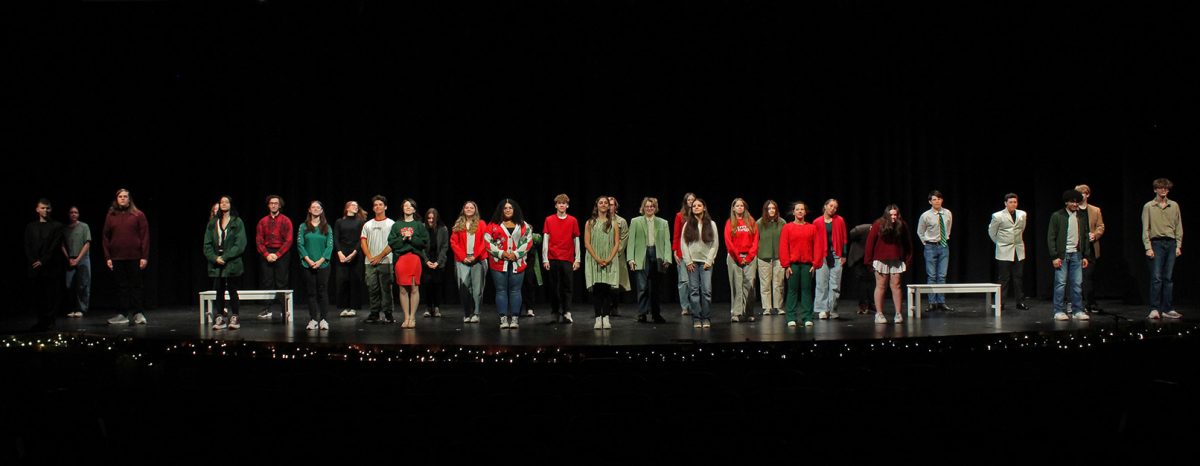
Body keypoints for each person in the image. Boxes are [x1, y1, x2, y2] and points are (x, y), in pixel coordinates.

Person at [103, 189, 150, 325]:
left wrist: (144, 256)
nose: (123, 199)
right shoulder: (111, 215)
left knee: (136, 286)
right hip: (117, 257)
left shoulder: (138, 215)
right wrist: (108, 257)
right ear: (116, 199)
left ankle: (138, 313)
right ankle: (123, 314)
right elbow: (105, 237)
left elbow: (145, 236)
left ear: (129, 200)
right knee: (121, 287)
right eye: (120, 197)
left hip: (135, 256)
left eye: (125, 197)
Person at [486, 199, 533, 329]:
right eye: (505, 208)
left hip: (518, 262)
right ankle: (503, 318)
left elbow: (528, 242)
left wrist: (516, 254)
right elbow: (487, 242)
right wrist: (502, 253)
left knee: (515, 290)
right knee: (501, 290)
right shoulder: (493, 225)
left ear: (515, 209)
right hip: (499, 263)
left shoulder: (524, 225)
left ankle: (515, 318)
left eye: (510, 208)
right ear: (501, 210)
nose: (507, 210)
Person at [1142, 178, 1183, 320]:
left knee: (1168, 278)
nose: (1164, 190)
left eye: (1166, 188)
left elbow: (1179, 226)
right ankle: (1154, 308)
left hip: (1171, 243)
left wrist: (1178, 245)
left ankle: (1168, 308)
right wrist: (1148, 247)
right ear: (1155, 189)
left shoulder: (1174, 205)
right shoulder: (1149, 206)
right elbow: (1145, 228)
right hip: (1156, 243)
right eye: (1161, 188)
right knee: (1157, 277)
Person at [204, 196, 247, 330]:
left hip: (231, 261)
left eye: (226, 202)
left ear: (230, 205)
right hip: (217, 262)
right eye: (221, 202)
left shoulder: (237, 222)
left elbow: (240, 244)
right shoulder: (213, 223)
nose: (223, 204)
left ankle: (235, 316)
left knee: (232, 289)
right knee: (219, 290)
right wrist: (214, 258)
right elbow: (207, 244)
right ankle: (220, 317)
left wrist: (226, 257)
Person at [1048, 190, 1092, 321]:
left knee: (1077, 283)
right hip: (1062, 254)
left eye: (1076, 201)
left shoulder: (1081, 217)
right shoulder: (1057, 216)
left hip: (1077, 254)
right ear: (1066, 202)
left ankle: (1077, 310)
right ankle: (1058, 311)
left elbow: (1085, 236)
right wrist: (1054, 256)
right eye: (1072, 201)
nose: (1074, 204)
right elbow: (1051, 237)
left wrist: (1085, 255)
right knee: (1061, 283)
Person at [865, 204, 913, 324]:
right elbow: (870, 243)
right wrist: (869, 261)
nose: (893, 217)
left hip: (896, 259)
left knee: (896, 285)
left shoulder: (902, 225)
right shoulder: (878, 224)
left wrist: (908, 259)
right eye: (891, 215)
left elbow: (908, 243)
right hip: (881, 259)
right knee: (881, 286)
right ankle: (879, 314)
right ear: (887, 215)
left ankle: (898, 313)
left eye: (895, 215)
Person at [628, 197, 672, 324]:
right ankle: (642, 313)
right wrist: (631, 258)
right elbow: (631, 242)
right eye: (647, 206)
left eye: (652, 206)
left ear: (655, 208)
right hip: (642, 255)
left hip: (657, 254)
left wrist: (667, 258)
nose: (649, 208)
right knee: (642, 287)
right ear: (643, 208)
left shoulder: (663, 222)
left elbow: (666, 242)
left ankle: (656, 314)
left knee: (656, 288)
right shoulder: (635, 221)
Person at [388, 199, 429, 329]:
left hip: (414, 258)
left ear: (414, 209)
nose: (408, 207)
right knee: (402, 289)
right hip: (401, 259)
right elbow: (392, 242)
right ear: (402, 208)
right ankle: (406, 317)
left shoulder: (419, 225)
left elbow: (424, 243)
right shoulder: (396, 225)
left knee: (414, 287)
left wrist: (411, 238)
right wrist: (403, 238)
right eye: (405, 205)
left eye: (410, 206)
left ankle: (412, 317)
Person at [26, 199, 64, 331]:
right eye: (42, 208)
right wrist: (33, 260)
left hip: (50, 267)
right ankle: (41, 320)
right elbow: (27, 245)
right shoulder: (31, 226)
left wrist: (43, 260)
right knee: (38, 295)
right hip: (35, 267)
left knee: (51, 295)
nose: (45, 210)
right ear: (37, 209)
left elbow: (54, 246)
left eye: (47, 208)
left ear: (51, 209)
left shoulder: (57, 226)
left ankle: (49, 320)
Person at [542, 194, 581, 324]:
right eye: (559, 203)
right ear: (556, 205)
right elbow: (546, 239)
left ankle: (567, 312)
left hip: (567, 258)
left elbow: (576, 239)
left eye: (564, 203)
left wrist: (577, 259)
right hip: (553, 257)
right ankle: (554, 311)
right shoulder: (549, 219)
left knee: (567, 287)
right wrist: (545, 259)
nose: (562, 205)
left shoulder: (573, 220)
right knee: (554, 287)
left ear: (567, 205)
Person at [987, 193, 1029, 311]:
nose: (1013, 204)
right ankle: (1000, 303)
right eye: (1010, 202)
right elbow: (992, 232)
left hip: (1018, 249)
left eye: (1015, 202)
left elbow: (1022, 229)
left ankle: (1020, 302)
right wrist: (1000, 243)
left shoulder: (1022, 214)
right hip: (1004, 250)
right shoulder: (998, 216)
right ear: (1005, 203)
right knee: (1004, 278)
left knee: (1018, 277)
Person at [681, 198, 719, 328]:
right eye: (694, 206)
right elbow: (684, 243)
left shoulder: (711, 224)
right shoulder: (688, 224)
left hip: (706, 263)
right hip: (692, 263)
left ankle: (706, 318)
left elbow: (715, 244)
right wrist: (688, 261)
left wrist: (709, 260)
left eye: (699, 205)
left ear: (704, 208)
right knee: (694, 291)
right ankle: (697, 318)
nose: (696, 207)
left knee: (706, 291)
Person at [585, 196, 621, 330]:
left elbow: (617, 243)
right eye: (601, 202)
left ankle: (606, 317)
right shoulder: (590, 223)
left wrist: (609, 258)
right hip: (595, 259)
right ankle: (597, 317)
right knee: (597, 289)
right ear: (597, 205)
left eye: (606, 203)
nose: (604, 204)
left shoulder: (614, 223)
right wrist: (597, 259)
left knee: (606, 289)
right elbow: (587, 243)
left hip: (609, 259)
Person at [255, 195, 293, 319]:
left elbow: (288, 240)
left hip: (281, 253)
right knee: (267, 281)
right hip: (267, 253)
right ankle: (267, 309)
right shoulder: (263, 221)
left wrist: (277, 254)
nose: (273, 205)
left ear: (279, 205)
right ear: (268, 205)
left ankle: (284, 309)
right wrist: (266, 254)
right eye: (271, 203)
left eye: (276, 203)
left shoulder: (286, 220)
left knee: (282, 282)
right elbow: (259, 241)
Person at [298, 200, 334, 331]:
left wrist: (319, 261)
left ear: (321, 210)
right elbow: (300, 244)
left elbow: (330, 246)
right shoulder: (303, 226)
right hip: (307, 264)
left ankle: (324, 319)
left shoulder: (326, 227)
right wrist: (308, 260)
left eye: (318, 207)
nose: (315, 209)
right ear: (309, 210)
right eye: (313, 207)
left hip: (323, 265)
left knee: (322, 292)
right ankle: (313, 319)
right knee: (311, 293)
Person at [779, 201, 816, 328]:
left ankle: (807, 317)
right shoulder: (787, 228)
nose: (800, 211)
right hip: (793, 265)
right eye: (797, 209)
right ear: (793, 212)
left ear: (805, 212)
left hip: (807, 264)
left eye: (802, 209)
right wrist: (786, 265)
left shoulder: (811, 228)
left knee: (806, 291)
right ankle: (791, 317)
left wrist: (815, 263)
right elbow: (783, 247)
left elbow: (817, 246)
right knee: (792, 291)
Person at [451, 201, 488, 323]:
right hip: (462, 260)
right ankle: (467, 313)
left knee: (477, 289)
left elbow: (485, 241)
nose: (469, 209)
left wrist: (475, 256)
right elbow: (454, 243)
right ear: (463, 209)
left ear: (475, 210)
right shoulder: (458, 224)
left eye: (471, 207)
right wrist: (463, 257)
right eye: (466, 207)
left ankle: (476, 313)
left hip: (478, 259)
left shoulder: (481, 224)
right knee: (464, 288)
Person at [916, 190, 954, 312]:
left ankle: (941, 302)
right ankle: (932, 302)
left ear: (942, 200)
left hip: (943, 245)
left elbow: (948, 228)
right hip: (930, 247)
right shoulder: (925, 215)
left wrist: (944, 239)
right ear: (930, 201)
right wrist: (926, 243)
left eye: (939, 199)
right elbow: (920, 232)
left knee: (942, 275)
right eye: (934, 199)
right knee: (932, 276)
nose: (937, 201)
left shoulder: (947, 213)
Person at [360, 195, 396, 323]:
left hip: (386, 261)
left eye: (380, 204)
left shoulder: (391, 224)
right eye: (375, 205)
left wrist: (379, 256)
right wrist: (370, 257)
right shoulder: (368, 224)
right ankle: (374, 313)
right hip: (370, 262)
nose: (378, 207)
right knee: (372, 288)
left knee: (386, 289)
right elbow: (363, 242)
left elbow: (393, 243)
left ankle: (388, 313)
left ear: (385, 207)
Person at [812, 199, 848, 320]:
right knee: (821, 283)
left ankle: (833, 309)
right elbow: (813, 241)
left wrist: (844, 255)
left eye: (835, 207)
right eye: (831, 206)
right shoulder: (817, 222)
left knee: (835, 284)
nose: (833, 209)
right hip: (822, 255)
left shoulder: (840, 220)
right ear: (825, 206)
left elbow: (844, 239)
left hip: (836, 254)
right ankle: (823, 309)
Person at [724, 198, 758, 323]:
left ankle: (749, 312)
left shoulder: (751, 221)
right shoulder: (730, 223)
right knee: (736, 285)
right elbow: (729, 243)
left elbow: (755, 240)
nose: (739, 208)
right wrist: (738, 258)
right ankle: (736, 313)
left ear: (744, 208)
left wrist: (749, 257)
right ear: (733, 208)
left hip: (750, 257)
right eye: (737, 206)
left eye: (741, 206)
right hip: (734, 258)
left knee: (750, 286)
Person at [333, 201, 367, 317]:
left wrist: (354, 253)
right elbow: (336, 238)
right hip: (342, 254)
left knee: (355, 280)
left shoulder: (361, 222)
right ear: (347, 208)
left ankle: (353, 307)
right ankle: (344, 307)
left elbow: (361, 239)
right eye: (353, 205)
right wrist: (340, 253)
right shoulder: (339, 222)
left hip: (355, 253)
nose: (355, 207)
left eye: (357, 206)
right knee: (343, 281)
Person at [1076, 185, 1105, 312]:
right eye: (1078, 193)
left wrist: (1096, 234)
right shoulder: (1073, 210)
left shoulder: (1095, 210)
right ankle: (1075, 303)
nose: (1081, 195)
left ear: (1087, 194)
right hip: (1076, 248)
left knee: (1088, 276)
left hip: (1091, 249)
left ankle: (1090, 303)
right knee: (1075, 277)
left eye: (1083, 193)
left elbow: (1100, 226)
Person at [755, 200, 786, 317]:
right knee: (765, 284)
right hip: (763, 257)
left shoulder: (782, 222)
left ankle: (778, 306)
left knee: (779, 283)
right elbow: (755, 240)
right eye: (769, 208)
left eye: (773, 208)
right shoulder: (759, 223)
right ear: (765, 210)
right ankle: (767, 307)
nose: (771, 210)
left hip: (779, 258)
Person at [62, 206, 92, 318]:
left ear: (78, 214)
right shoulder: (64, 228)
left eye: (76, 212)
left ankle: (81, 309)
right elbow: (62, 245)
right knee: (69, 284)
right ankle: (71, 308)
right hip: (70, 258)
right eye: (71, 212)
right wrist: (68, 258)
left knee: (83, 284)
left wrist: (78, 259)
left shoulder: (84, 226)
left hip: (82, 258)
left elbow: (87, 243)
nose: (73, 214)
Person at [421, 208, 449, 319]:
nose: (431, 220)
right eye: (429, 218)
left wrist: (438, 262)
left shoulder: (443, 229)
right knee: (427, 285)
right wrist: (426, 261)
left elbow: (444, 247)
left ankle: (437, 307)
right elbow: (421, 247)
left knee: (437, 284)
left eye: (433, 218)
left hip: (438, 260)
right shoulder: (423, 228)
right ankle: (428, 307)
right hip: (426, 260)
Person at [673, 193, 697, 316]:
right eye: (689, 199)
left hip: (695, 253)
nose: (691, 201)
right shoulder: (679, 216)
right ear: (685, 201)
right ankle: (685, 306)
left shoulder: (698, 215)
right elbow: (676, 234)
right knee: (684, 281)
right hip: (682, 252)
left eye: (693, 199)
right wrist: (675, 251)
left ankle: (694, 306)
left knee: (694, 282)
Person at [607, 196, 630, 317]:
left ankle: (615, 306)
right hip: (603, 257)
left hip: (617, 256)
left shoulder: (621, 221)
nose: (610, 206)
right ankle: (606, 306)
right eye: (608, 204)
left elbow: (624, 237)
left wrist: (616, 252)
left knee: (615, 284)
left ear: (615, 206)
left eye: (612, 204)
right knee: (605, 283)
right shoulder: (600, 220)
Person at [847, 223, 875, 315]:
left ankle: (871, 304)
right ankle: (863, 305)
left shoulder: (880, 232)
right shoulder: (863, 229)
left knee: (871, 281)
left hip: (870, 258)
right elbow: (851, 233)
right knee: (861, 281)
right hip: (858, 258)